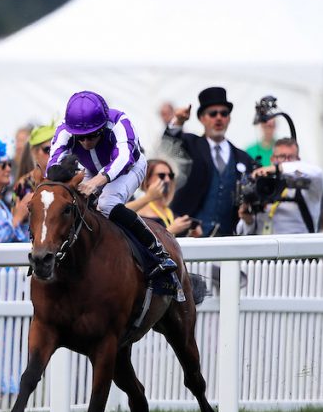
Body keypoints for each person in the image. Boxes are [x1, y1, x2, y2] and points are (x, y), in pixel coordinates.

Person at [49, 90, 179, 287]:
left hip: (129, 167)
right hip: (92, 169)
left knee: (107, 203)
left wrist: (95, 182)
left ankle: (157, 252)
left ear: (102, 127)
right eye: (80, 138)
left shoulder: (120, 122)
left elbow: (122, 158)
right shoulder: (64, 130)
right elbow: (53, 162)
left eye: (91, 136)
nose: (85, 142)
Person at [164, 86, 255, 236]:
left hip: (230, 240)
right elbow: (168, 147)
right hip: (192, 237)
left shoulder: (242, 158)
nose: (219, 117)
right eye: (213, 114)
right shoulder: (190, 144)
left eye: (224, 113)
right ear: (202, 118)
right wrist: (178, 121)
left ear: (229, 118)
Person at [236, 138, 323, 235]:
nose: (286, 161)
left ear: (298, 160)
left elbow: (318, 173)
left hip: (298, 247)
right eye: (282, 157)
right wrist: (248, 221)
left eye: (291, 157)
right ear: (272, 159)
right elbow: (243, 232)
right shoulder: (264, 186)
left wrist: (279, 168)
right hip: (266, 247)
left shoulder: (307, 184)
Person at [127, 159, 200, 237]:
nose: (167, 180)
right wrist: (169, 231)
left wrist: (190, 235)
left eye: (171, 175)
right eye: (162, 175)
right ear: (147, 179)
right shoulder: (137, 213)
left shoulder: (171, 213)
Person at [13, 123, 55, 198]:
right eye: (47, 150)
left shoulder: (65, 180)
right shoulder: (23, 185)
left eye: (55, 149)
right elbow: (15, 210)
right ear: (35, 153)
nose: (52, 153)